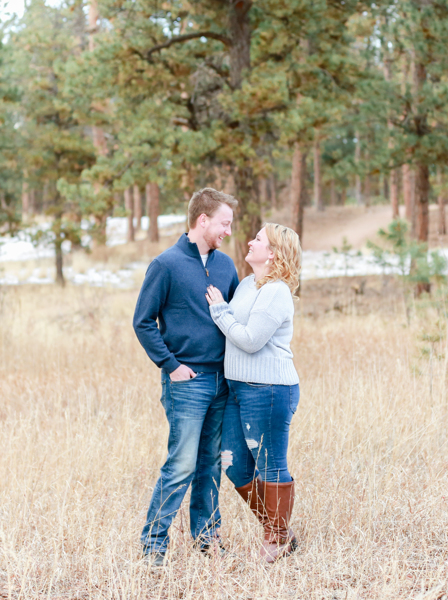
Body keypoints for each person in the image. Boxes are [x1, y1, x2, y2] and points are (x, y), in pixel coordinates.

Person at [133, 188, 240, 566]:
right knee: (181, 465)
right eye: (224, 223)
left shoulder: (227, 266)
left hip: (221, 382)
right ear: (203, 220)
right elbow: (142, 322)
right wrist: (172, 366)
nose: (228, 231)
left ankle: (207, 538)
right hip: (187, 382)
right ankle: (153, 547)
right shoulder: (165, 265)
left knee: (210, 462)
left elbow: (236, 319)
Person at [204, 222, 302, 563]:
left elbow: (249, 340)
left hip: (270, 390)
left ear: (272, 253)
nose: (249, 241)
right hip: (237, 389)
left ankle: (275, 539)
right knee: (234, 466)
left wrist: (220, 311)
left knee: (270, 465)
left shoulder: (277, 291)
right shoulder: (247, 284)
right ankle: (280, 530)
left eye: (258, 239)